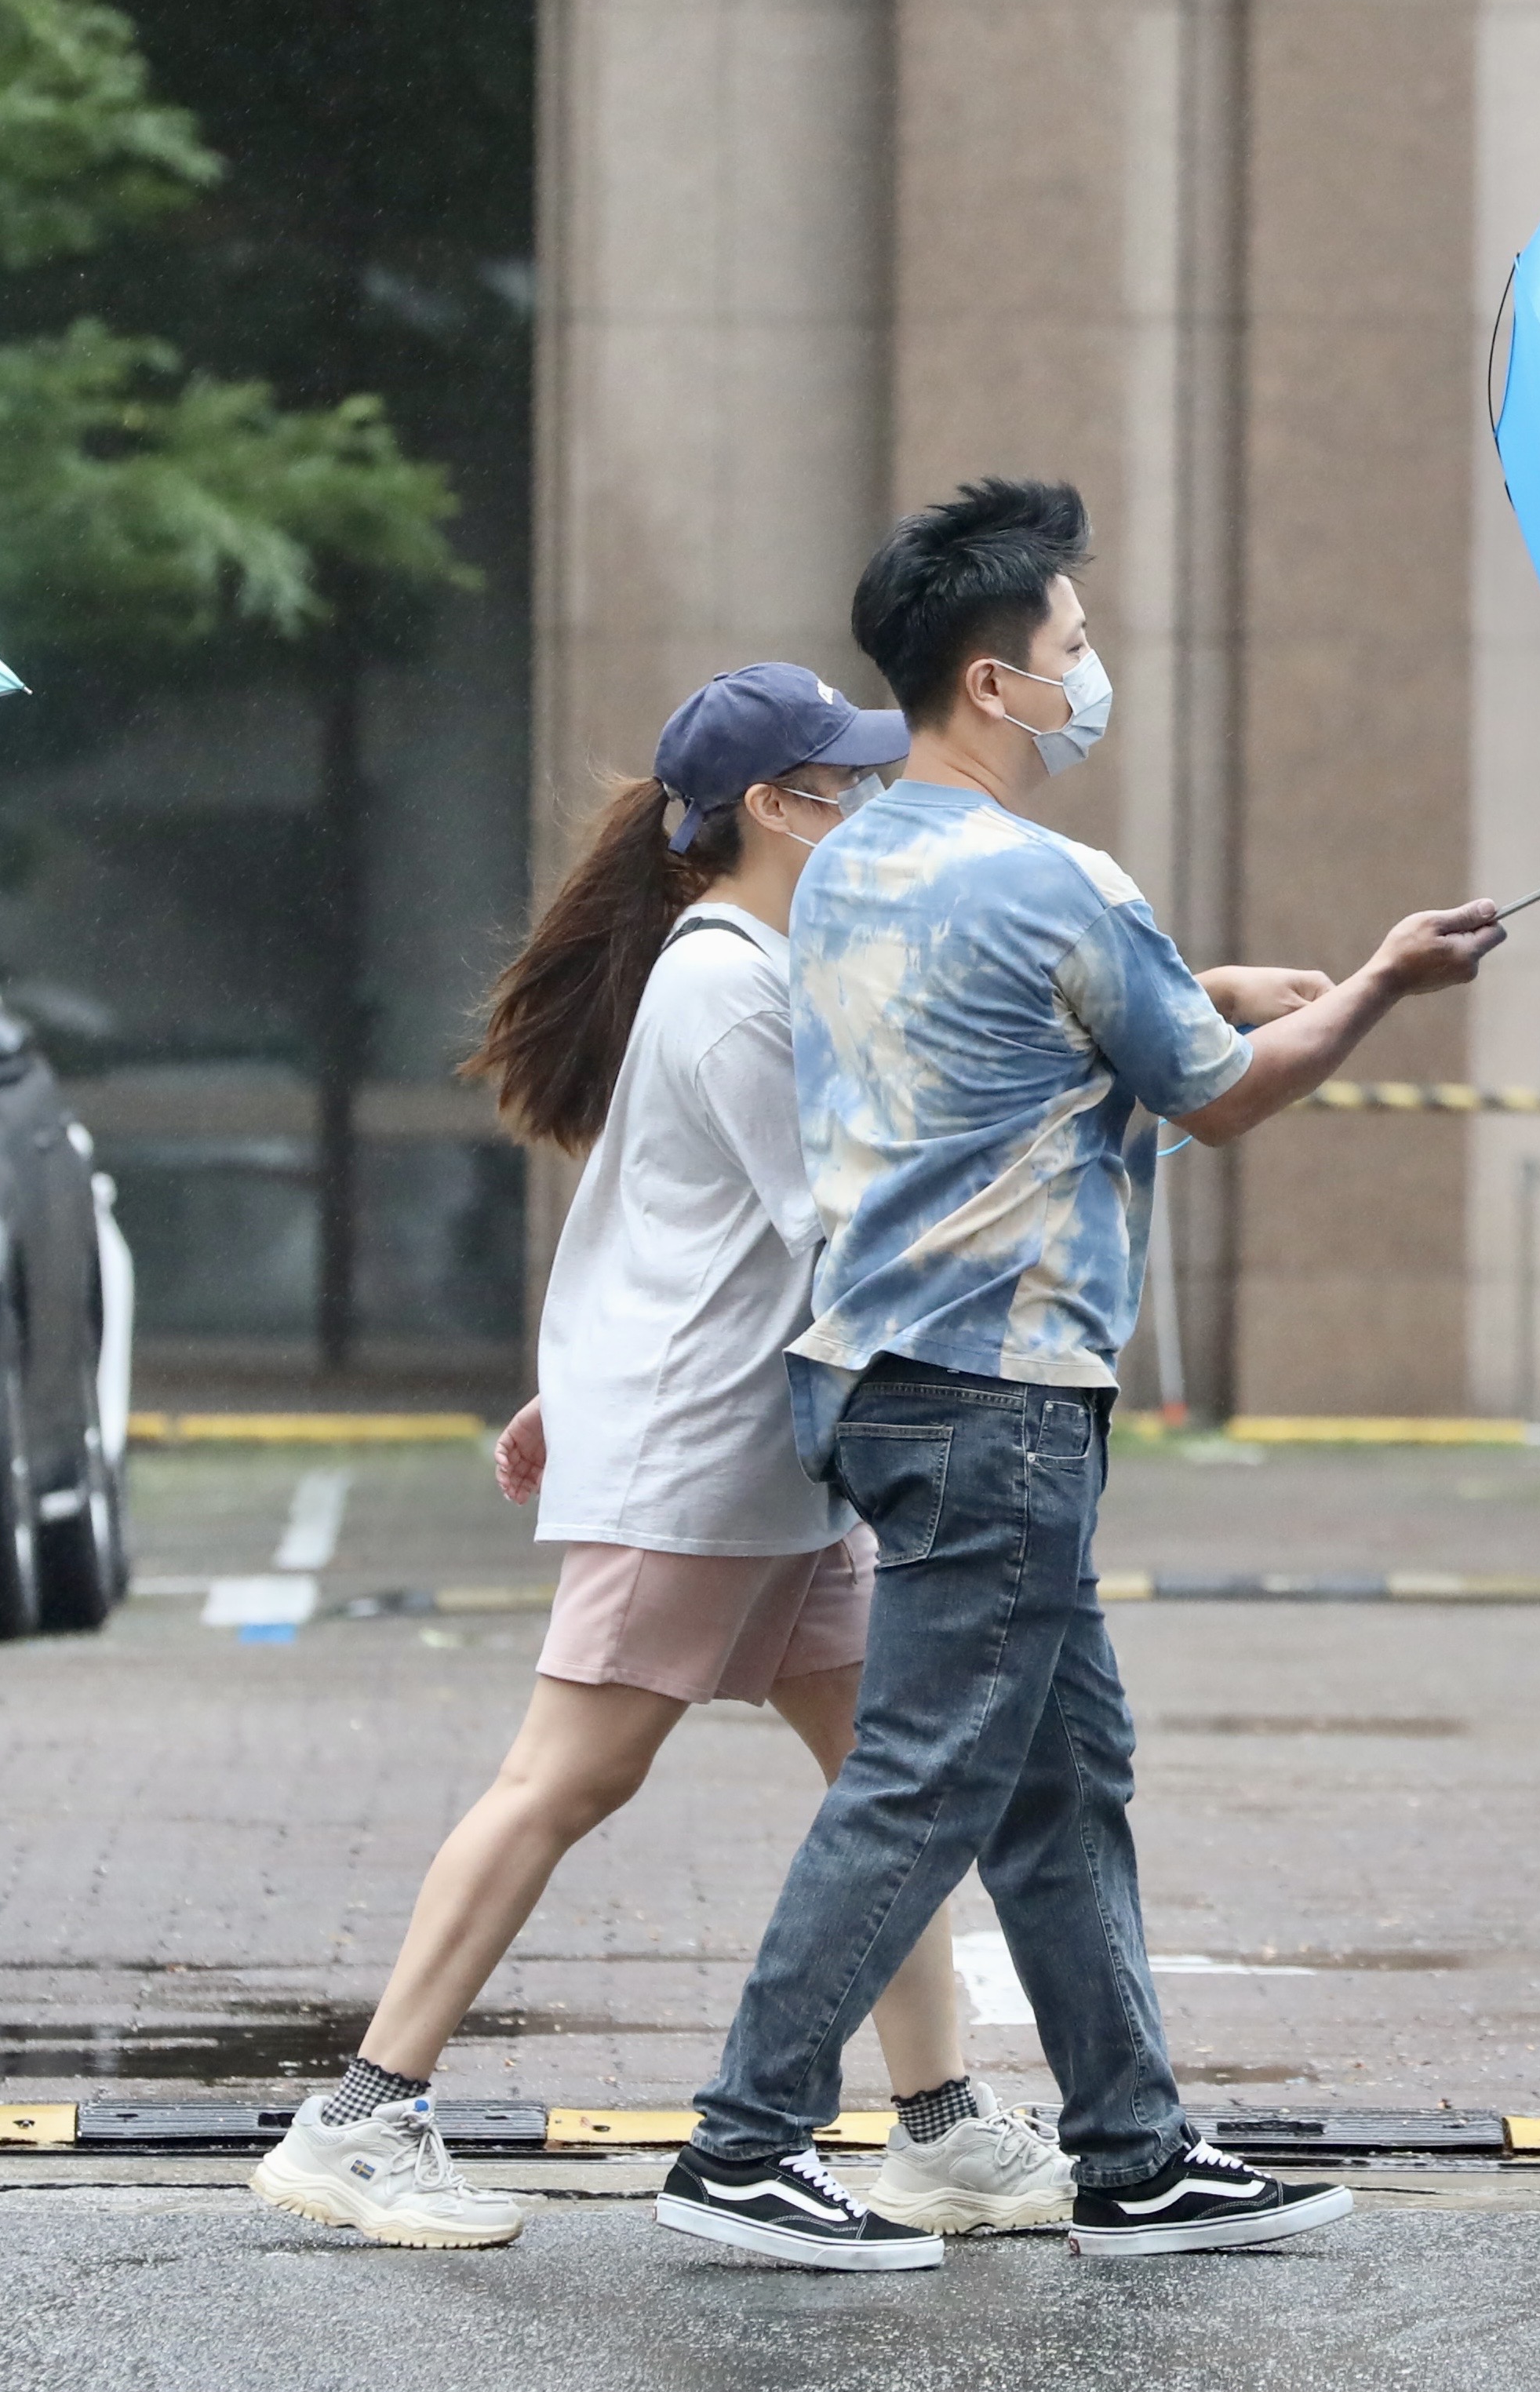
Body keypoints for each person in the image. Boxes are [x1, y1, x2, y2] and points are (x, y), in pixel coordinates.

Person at [656, 480, 1505, 2272]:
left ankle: (1132, 2148)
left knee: (1058, 1774)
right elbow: (1218, 1093)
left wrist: (1188, 982)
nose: (1089, 667)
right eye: (1073, 644)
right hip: (997, 1390)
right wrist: (1375, 983)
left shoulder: (855, 864)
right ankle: (740, 2140)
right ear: (990, 679)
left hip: (886, 1372)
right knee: (930, 1777)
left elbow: (996, 1062)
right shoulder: (1056, 881)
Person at [250, 664, 1076, 2252]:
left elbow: (677, 1224)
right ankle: (359, 2113)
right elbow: (832, 1222)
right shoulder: (728, 984)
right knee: (567, 1778)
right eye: (851, 784)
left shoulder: (756, 963)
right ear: (777, 808)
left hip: (760, 1459)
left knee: (885, 1785)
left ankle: (938, 2125)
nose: (875, 808)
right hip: (707, 1461)